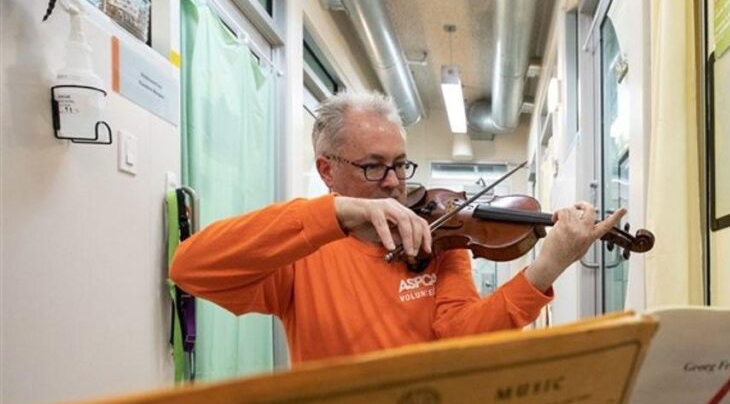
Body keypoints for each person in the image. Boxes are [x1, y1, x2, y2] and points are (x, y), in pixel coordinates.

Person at [170, 90, 625, 363]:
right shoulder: (303, 245)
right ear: (327, 171)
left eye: (400, 165)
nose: (393, 183)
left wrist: (546, 268)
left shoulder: (441, 238)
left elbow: (461, 335)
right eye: (373, 167)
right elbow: (191, 268)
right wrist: (336, 214)